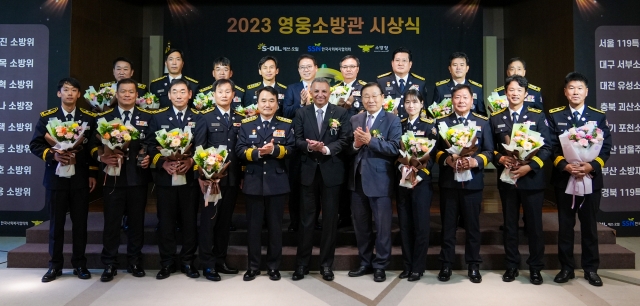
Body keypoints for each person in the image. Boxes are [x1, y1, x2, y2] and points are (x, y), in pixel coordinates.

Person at [29, 77, 98, 282]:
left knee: (80, 224)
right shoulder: (47, 118)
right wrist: (53, 154)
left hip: (79, 178)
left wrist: (93, 172)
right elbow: (35, 145)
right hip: (55, 178)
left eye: (74, 90)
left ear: (79, 94)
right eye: (66, 90)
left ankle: (80, 264)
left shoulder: (88, 118)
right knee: (56, 224)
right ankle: (55, 266)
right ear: (59, 93)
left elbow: (93, 147)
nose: (70, 93)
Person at [547, 72, 612, 287]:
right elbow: (551, 146)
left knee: (589, 227)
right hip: (565, 180)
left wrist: (590, 166)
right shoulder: (555, 116)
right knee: (565, 226)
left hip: (590, 180)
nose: (575, 92)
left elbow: (607, 147)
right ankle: (566, 268)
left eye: (579, 88)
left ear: (586, 92)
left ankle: (591, 268)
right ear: (565, 92)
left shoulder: (598, 116)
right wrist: (565, 165)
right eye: (571, 88)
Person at [489, 75, 551, 285]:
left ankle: (535, 268)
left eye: (518, 90)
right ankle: (512, 265)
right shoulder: (496, 118)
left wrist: (529, 167)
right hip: (507, 179)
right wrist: (500, 158)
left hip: (532, 179)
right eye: (510, 90)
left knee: (534, 226)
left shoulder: (537, 115)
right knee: (510, 225)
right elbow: (491, 150)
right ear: (505, 93)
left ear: (526, 93)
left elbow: (547, 148)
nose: (514, 93)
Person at [90, 78, 153, 282]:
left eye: (131, 92)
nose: (127, 95)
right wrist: (101, 157)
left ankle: (135, 261)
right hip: (113, 178)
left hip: (137, 178)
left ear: (137, 95)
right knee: (112, 223)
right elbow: (91, 145)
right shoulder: (104, 118)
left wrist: (149, 156)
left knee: (136, 222)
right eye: (123, 91)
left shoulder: (147, 117)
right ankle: (109, 263)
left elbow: (153, 142)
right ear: (116, 95)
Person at [291, 78, 351, 282]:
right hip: (308, 173)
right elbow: (296, 140)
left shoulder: (341, 113)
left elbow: (344, 140)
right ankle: (302, 265)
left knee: (329, 222)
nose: (320, 94)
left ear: (330, 92)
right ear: (309, 92)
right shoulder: (301, 113)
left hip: (331, 174)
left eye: (324, 91)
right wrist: (309, 147)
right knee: (306, 221)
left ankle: (326, 265)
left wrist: (325, 149)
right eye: (315, 91)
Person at [435, 84, 493, 283]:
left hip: (473, 183)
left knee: (472, 226)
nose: (461, 101)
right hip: (449, 183)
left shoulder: (483, 122)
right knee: (448, 226)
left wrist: (475, 161)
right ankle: (446, 265)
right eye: (457, 97)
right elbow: (435, 151)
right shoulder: (442, 122)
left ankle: (474, 265)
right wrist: (447, 159)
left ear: (472, 100)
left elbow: (489, 151)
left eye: (465, 97)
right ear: (452, 100)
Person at [236, 86, 295, 281]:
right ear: (257, 104)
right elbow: (239, 150)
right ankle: (253, 266)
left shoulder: (286, 124)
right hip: (253, 181)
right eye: (263, 101)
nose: (267, 104)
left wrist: (275, 150)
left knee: (275, 227)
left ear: (277, 104)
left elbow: (292, 149)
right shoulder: (246, 125)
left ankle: (273, 266)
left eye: (271, 101)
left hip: (276, 182)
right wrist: (257, 153)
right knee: (253, 227)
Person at [148, 79, 204, 280]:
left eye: (183, 91)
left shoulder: (199, 118)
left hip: (189, 179)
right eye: (175, 92)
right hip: (166, 178)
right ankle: (167, 262)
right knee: (166, 222)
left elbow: (202, 147)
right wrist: (162, 163)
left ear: (190, 95)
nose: (179, 95)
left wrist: (191, 162)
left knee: (189, 221)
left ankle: (188, 261)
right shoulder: (158, 117)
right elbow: (149, 145)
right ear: (169, 95)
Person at [347, 82, 402, 283]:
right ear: (361, 98)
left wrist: (371, 141)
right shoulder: (355, 119)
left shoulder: (392, 120)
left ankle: (381, 265)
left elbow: (395, 148)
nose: (370, 100)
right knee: (361, 226)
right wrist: (356, 144)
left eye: (374, 96)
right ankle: (365, 262)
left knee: (382, 226)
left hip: (380, 180)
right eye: (366, 96)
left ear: (382, 98)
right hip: (357, 180)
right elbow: (348, 149)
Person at [194, 79, 243, 281]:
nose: (224, 95)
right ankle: (207, 264)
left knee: (224, 223)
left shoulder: (240, 118)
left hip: (232, 179)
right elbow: (199, 150)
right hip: (212, 181)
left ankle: (221, 260)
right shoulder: (205, 118)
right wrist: (202, 176)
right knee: (209, 223)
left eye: (228, 91)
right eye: (220, 91)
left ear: (234, 95)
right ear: (213, 95)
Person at [396, 89, 437, 282]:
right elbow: (394, 152)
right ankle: (407, 265)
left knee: (421, 225)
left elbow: (433, 157)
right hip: (403, 180)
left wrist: (418, 173)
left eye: (415, 102)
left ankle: (418, 267)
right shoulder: (399, 125)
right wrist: (403, 168)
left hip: (421, 181)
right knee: (404, 225)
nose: (410, 105)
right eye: (407, 102)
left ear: (422, 104)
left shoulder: (430, 126)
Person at [283, 54, 319, 232]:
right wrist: (302, 104)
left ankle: (315, 221)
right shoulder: (292, 88)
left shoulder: (322, 87)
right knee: (296, 184)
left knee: (316, 185)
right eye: (302, 67)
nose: (306, 70)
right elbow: (285, 111)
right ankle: (294, 221)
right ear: (298, 70)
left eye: (309, 66)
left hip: (318, 141)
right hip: (297, 142)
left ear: (316, 68)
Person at [333, 55, 368, 228]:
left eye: (352, 66)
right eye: (345, 66)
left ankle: (360, 217)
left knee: (357, 179)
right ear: (340, 69)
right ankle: (343, 215)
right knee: (341, 178)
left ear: (357, 69)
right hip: (339, 139)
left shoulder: (364, 89)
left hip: (359, 139)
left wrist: (352, 108)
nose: (348, 69)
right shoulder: (334, 89)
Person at [376, 47, 427, 121]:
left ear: (410, 64)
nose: (400, 64)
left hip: (411, 125)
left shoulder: (420, 82)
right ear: (392, 63)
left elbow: (424, 108)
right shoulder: (382, 81)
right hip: (389, 124)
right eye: (397, 60)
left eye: (404, 61)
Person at [433, 52, 487, 117]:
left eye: (462, 65)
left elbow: (482, 113)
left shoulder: (476, 88)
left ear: (467, 68)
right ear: (449, 69)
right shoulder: (440, 88)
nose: (458, 68)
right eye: (455, 65)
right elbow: (433, 112)